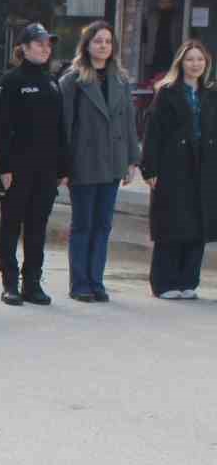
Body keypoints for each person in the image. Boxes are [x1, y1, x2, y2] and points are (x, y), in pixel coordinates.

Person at [58, 21, 140, 302]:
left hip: (112, 163)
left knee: (103, 225)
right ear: (87, 45)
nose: (103, 46)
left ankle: (96, 281)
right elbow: (64, 126)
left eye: (107, 41)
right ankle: (79, 282)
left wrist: (131, 160)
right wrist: (63, 165)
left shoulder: (121, 79)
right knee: (83, 224)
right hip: (83, 161)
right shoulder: (72, 80)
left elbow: (129, 122)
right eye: (98, 41)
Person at [0, 23, 71, 306]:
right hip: (17, 167)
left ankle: (32, 281)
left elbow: (60, 128)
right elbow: (0, 129)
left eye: (48, 44)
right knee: (11, 224)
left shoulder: (52, 82)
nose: (45, 48)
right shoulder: (10, 80)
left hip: (46, 168)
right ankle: (10, 282)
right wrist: (4, 169)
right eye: (39, 44)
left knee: (38, 226)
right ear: (23, 47)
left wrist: (63, 168)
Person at [140, 39, 217, 299]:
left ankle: (188, 282)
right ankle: (164, 282)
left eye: (200, 59)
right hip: (174, 166)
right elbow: (153, 134)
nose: (195, 64)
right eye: (190, 59)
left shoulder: (211, 94)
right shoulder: (167, 93)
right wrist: (150, 169)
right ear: (181, 63)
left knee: (198, 225)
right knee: (172, 223)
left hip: (204, 168)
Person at [145, 0, 180, 79]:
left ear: (172, 3)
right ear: (158, 3)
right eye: (162, 2)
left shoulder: (178, 18)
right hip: (154, 55)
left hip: (172, 54)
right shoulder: (151, 17)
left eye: (168, 2)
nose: (165, 4)